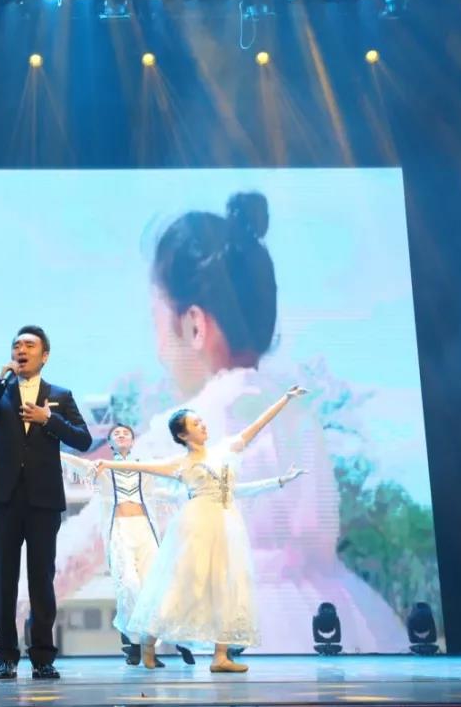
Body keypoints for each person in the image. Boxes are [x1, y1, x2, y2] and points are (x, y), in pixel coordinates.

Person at [133, 191, 405, 650]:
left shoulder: (183, 429)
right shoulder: (300, 415)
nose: (158, 346)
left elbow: (88, 543)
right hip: (337, 613)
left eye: (156, 321)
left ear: (194, 325)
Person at [95, 388, 307, 672]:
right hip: (196, 526)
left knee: (228, 585)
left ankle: (221, 657)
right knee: (183, 585)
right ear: (183, 435)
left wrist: (286, 399)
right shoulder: (181, 463)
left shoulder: (226, 449)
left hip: (228, 525)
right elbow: (141, 465)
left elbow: (257, 425)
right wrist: (105, 462)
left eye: (201, 421)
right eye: (196, 423)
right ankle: (148, 641)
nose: (203, 425)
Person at [0, 325, 92, 680]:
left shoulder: (60, 395)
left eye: (29, 345)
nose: (21, 350)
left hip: (43, 499)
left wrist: (48, 419)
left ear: (45, 355)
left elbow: (83, 439)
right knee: (4, 579)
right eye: (16, 345)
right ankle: (6, 657)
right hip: (3, 498)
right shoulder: (1, 391)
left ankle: (42, 657)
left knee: (41, 580)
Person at [61, 424, 194, 667]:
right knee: (129, 585)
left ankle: (159, 643)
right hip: (120, 531)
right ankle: (133, 641)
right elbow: (77, 463)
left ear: (133, 442)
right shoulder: (102, 467)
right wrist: (52, 450)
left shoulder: (144, 467)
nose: (122, 436)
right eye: (117, 434)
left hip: (145, 531)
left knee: (152, 587)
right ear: (110, 443)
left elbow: (169, 476)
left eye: (126, 434)